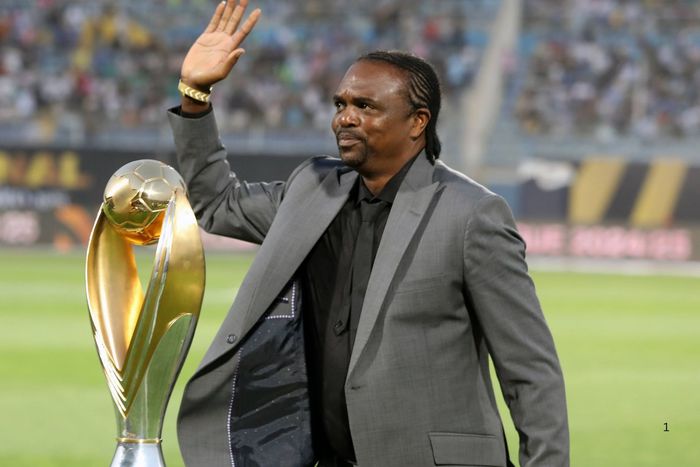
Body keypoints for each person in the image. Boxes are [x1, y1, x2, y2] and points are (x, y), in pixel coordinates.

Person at [169, 1, 569, 466]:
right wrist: (195, 96)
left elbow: (530, 370)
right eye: (340, 104)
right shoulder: (312, 189)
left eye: (365, 106)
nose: (345, 117)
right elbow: (217, 204)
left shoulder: (473, 214)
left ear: (417, 122)